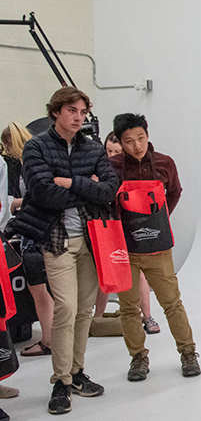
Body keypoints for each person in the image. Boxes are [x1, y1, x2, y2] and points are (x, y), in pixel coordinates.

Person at [4, 87, 120, 415]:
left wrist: (70, 183)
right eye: (72, 110)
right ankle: (61, 381)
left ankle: (77, 373)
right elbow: (42, 194)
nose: (78, 118)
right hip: (56, 240)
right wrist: (89, 186)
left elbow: (110, 190)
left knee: (85, 310)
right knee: (66, 308)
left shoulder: (92, 146)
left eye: (83, 112)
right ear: (56, 111)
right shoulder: (37, 147)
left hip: (91, 239)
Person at [109, 113, 199, 382]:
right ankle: (138, 358)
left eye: (141, 138)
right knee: (128, 307)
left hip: (159, 247)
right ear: (119, 142)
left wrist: (159, 218)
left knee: (172, 302)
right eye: (129, 141)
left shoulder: (164, 163)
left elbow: (176, 191)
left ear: (147, 135)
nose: (136, 145)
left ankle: (188, 352)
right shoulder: (111, 166)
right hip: (124, 248)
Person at [92, 132, 160, 335]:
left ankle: (147, 316)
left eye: (117, 152)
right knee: (104, 271)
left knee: (138, 273)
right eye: (108, 151)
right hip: (108, 226)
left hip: (131, 226)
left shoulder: (131, 170)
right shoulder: (100, 168)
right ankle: (98, 317)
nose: (112, 156)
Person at [1, 122, 55, 357]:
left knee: (40, 291)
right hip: (38, 233)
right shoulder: (36, 163)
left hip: (33, 235)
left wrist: (24, 203)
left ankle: (49, 340)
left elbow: (29, 200)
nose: (5, 149)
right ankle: (51, 339)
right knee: (44, 291)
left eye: (6, 144)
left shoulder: (26, 166)